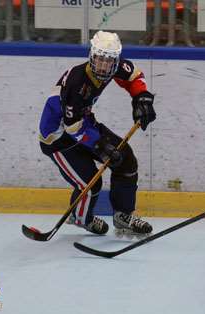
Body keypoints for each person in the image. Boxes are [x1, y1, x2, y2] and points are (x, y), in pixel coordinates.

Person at [38, 31, 156, 238]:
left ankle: (123, 216)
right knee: (90, 182)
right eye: (99, 59)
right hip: (57, 138)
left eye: (109, 61)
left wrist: (142, 98)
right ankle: (81, 218)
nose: (103, 66)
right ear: (92, 56)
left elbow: (134, 75)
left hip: (84, 123)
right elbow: (72, 127)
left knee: (125, 159)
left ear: (115, 60)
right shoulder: (77, 82)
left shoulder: (114, 65)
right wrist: (101, 146)